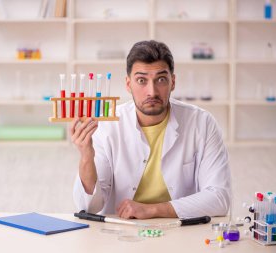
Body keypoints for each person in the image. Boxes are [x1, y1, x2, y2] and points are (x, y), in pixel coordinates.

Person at [71, 40, 231, 219]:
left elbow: (220, 198)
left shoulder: (202, 123)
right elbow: (88, 206)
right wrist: (86, 156)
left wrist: (153, 210)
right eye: (141, 80)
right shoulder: (108, 126)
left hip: (180, 228)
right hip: (121, 232)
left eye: (161, 79)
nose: (152, 92)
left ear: (173, 82)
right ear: (128, 84)